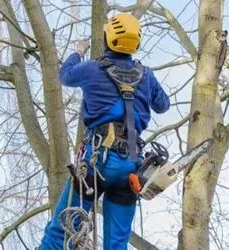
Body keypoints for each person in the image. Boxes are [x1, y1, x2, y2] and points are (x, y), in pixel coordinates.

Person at [39, 13, 170, 249]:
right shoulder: (146, 75)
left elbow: (65, 75)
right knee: (117, 243)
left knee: (61, 232)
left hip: (97, 160)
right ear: (136, 44)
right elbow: (163, 105)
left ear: (108, 37)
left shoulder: (92, 69)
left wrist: (78, 51)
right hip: (131, 165)